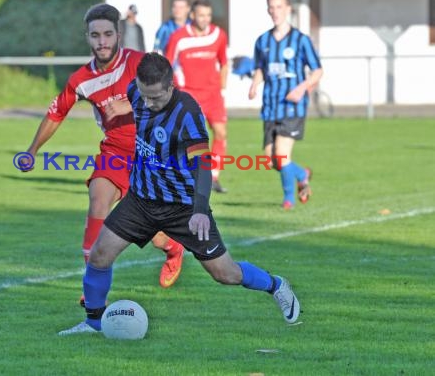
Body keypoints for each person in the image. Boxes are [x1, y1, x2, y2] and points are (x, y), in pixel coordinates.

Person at [58, 53, 301, 335]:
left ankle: (276, 285)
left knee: (225, 273)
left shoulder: (188, 113)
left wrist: (200, 209)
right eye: (145, 96)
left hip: (183, 208)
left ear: (171, 86)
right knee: (100, 254)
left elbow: (202, 165)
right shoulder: (137, 91)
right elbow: (133, 98)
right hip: (141, 200)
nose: (149, 103)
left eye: (157, 98)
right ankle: (93, 323)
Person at [21, 4, 184, 296]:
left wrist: (131, 103)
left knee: (152, 232)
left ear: (118, 34)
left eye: (108, 34)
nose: (102, 41)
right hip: (115, 152)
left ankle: (173, 249)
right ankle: (92, 289)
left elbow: (172, 96)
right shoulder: (81, 80)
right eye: (95, 35)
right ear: (88, 37)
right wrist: (32, 150)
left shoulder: (140, 63)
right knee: (98, 201)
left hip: (152, 151)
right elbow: (56, 113)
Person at [248, 0, 323, 210]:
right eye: (271, 7)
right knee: (270, 160)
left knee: (281, 156)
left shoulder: (301, 40)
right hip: (271, 106)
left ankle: (288, 199)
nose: (275, 11)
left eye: (279, 7)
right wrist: (255, 83)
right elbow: (261, 68)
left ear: (288, 9)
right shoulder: (262, 41)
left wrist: (302, 88)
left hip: (292, 106)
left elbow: (317, 71)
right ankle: (301, 173)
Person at [165, 0, 229, 193]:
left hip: (213, 95)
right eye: (201, 15)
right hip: (189, 94)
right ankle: (184, 177)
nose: (205, 19)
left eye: (208, 15)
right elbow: (168, 64)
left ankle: (214, 176)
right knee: (190, 139)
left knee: (221, 133)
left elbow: (224, 62)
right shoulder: (178, 37)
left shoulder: (218, 35)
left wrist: (222, 88)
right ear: (192, 16)